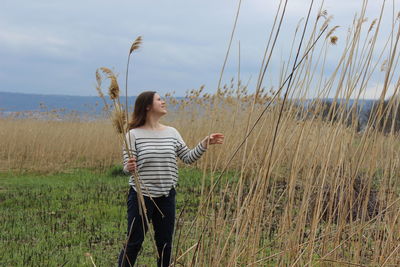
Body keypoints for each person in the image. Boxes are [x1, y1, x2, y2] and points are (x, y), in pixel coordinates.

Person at [118, 91, 224, 267]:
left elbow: (188, 157)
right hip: (141, 196)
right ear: (147, 106)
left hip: (167, 196)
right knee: (134, 243)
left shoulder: (172, 132)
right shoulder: (133, 135)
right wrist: (128, 168)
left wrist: (205, 143)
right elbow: (126, 167)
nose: (164, 102)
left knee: (165, 245)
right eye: (159, 99)